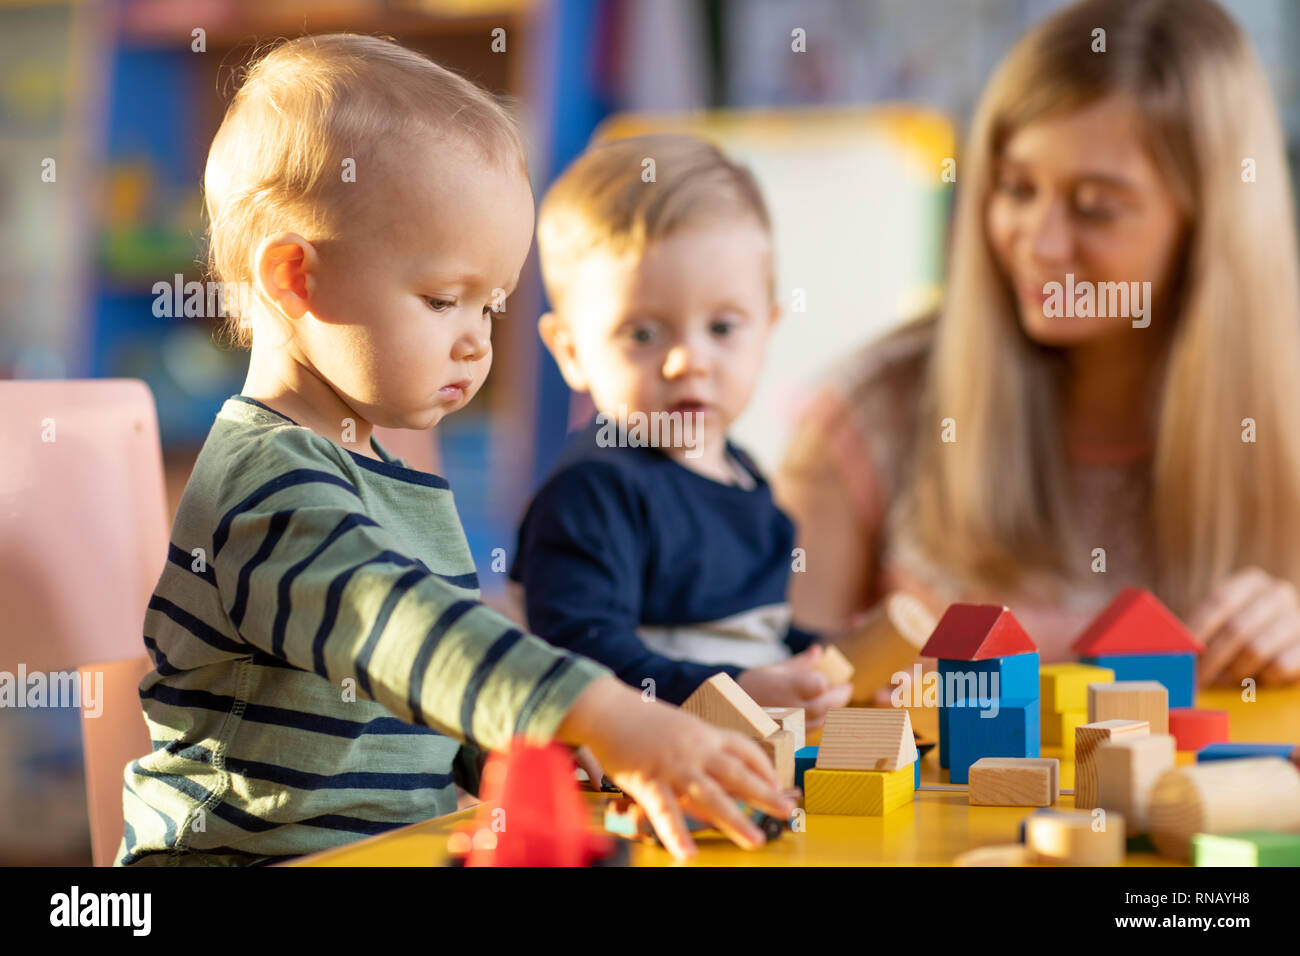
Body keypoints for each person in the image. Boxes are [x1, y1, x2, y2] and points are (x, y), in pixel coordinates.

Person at [118, 35, 793, 866]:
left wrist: (553, 761)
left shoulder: (388, 478)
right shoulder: (266, 481)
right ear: (296, 278)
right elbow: (397, 629)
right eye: (444, 300)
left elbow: (427, 711)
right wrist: (607, 713)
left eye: (492, 309)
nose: (478, 345)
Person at [777, 0, 1300, 685]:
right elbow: (763, 710)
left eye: (1095, 208)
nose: (1042, 244)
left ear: (1208, 227)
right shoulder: (864, 422)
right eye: (1017, 189)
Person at [510, 133, 853, 723]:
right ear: (570, 351)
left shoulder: (745, 478)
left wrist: (823, 658)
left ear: (766, 330)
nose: (687, 360)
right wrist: (741, 689)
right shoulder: (594, 491)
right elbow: (584, 659)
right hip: (632, 792)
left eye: (722, 328)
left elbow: (751, 632)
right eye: (643, 335)